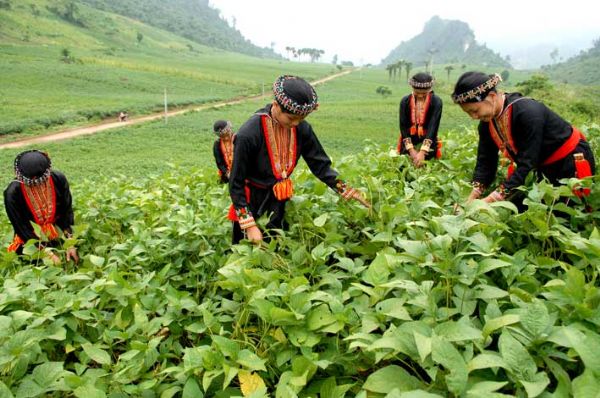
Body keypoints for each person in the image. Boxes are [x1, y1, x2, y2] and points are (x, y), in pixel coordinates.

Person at [229, 75, 369, 243]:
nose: (296, 124)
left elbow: (320, 165)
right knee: (245, 249)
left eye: (301, 119)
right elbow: (235, 182)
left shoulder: (301, 129)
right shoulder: (248, 134)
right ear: (275, 106)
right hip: (251, 201)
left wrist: (344, 188)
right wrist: (249, 224)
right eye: (291, 118)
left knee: (275, 243)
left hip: (279, 199)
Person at [452, 71, 595, 207]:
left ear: (492, 96)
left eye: (475, 110)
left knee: (566, 215)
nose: (473, 117)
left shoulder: (527, 113)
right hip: (544, 166)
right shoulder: (486, 124)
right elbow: (485, 163)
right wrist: (469, 199)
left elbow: (527, 164)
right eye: (468, 113)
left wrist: (489, 200)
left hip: (570, 162)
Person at [4, 150, 79, 264]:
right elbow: (21, 227)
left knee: (73, 254)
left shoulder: (58, 179)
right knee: (35, 262)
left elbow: (66, 212)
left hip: (56, 230)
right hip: (30, 237)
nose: (36, 183)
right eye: (32, 181)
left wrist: (70, 243)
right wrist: (47, 253)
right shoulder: (12, 193)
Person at [397, 72, 443, 167]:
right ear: (412, 88)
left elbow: (433, 126)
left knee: (427, 169)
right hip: (408, 139)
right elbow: (403, 126)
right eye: (417, 93)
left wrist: (422, 151)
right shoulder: (405, 101)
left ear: (430, 89)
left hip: (428, 139)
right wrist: (411, 150)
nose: (421, 95)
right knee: (405, 167)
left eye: (424, 93)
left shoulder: (436, 102)